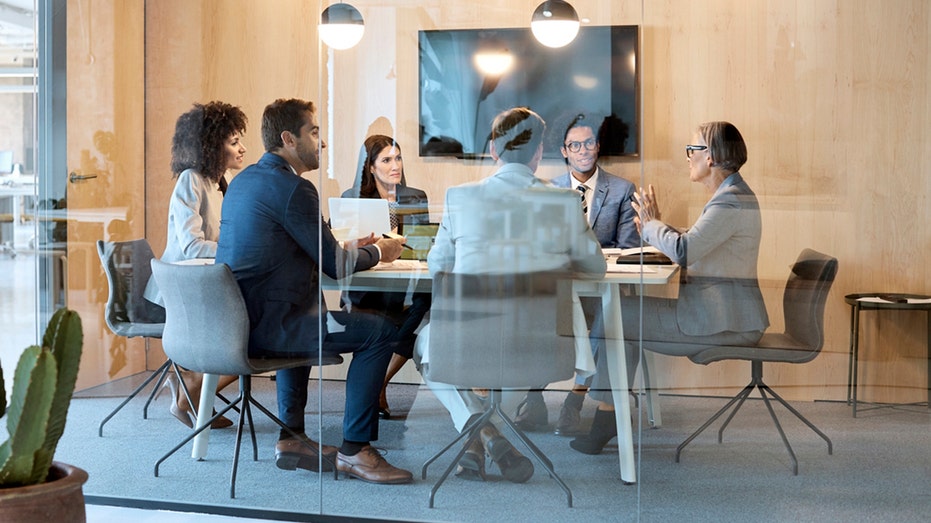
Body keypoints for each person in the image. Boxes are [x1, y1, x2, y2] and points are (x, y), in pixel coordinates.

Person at [215, 98, 413, 484]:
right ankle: (356, 451)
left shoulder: (245, 181)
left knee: (308, 309)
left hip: (239, 322)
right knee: (383, 330)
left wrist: (353, 247)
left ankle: (291, 439)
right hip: (272, 328)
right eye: (315, 132)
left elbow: (299, 248)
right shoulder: (294, 188)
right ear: (289, 138)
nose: (321, 143)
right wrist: (380, 250)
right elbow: (335, 269)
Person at [419, 107, 606, 482]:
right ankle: (487, 436)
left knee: (424, 346)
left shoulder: (459, 198)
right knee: (437, 345)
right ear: (539, 154)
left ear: (492, 150)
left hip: (469, 342)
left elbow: (438, 266)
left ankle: (480, 432)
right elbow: (595, 269)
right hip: (542, 348)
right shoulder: (563, 201)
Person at [570, 120, 770, 454]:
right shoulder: (730, 195)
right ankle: (606, 414)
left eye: (692, 150)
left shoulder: (730, 201)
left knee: (616, 316)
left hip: (719, 323)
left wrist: (651, 227)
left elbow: (685, 249)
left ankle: (599, 412)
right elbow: (694, 241)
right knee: (622, 315)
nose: (688, 157)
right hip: (719, 316)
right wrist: (656, 227)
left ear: (713, 157)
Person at [514, 113, 641, 436]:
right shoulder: (545, 189)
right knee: (531, 311)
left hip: (601, 287)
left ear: (597, 147)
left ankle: (575, 399)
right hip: (558, 287)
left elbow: (627, 249)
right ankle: (533, 396)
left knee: (609, 316)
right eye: (575, 145)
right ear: (564, 151)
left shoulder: (622, 190)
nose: (583, 150)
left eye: (588, 143)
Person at [143, 100, 248, 429]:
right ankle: (191, 392)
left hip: (203, 284)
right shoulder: (191, 179)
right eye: (233, 142)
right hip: (180, 290)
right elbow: (190, 246)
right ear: (211, 146)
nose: (242, 148)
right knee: (250, 337)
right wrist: (236, 249)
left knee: (251, 327)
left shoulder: (219, 182)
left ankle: (192, 393)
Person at [341, 135, 430, 420]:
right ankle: (374, 385)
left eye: (398, 158)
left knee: (425, 300)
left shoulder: (415, 196)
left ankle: (379, 382)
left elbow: (423, 246)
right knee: (383, 311)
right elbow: (339, 246)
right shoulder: (352, 198)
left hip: (405, 279)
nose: (396, 166)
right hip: (367, 282)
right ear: (370, 166)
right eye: (387, 160)